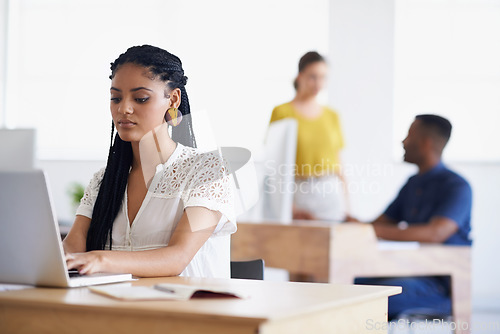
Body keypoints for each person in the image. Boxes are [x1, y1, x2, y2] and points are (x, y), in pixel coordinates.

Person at [63, 45, 236, 278]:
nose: (123, 108)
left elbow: (176, 258)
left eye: (141, 98)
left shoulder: (207, 171)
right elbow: (72, 248)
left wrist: (100, 258)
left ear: (172, 100)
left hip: (186, 310)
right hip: (115, 310)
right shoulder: (104, 180)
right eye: (115, 98)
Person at [354, 114, 472, 319]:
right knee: (343, 286)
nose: (403, 142)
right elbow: (380, 223)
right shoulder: (412, 184)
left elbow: (436, 233)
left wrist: (372, 230)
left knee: (365, 298)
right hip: (407, 269)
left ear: (426, 143)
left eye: (408, 136)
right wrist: (345, 223)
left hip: (438, 283)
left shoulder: (457, 186)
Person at [269, 51, 349, 222]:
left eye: (323, 77)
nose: (318, 83)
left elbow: (339, 162)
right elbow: (274, 164)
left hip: (330, 193)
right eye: (313, 77)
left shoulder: (332, 116)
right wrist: (289, 206)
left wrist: (347, 204)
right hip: (298, 193)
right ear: (300, 77)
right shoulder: (282, 112)